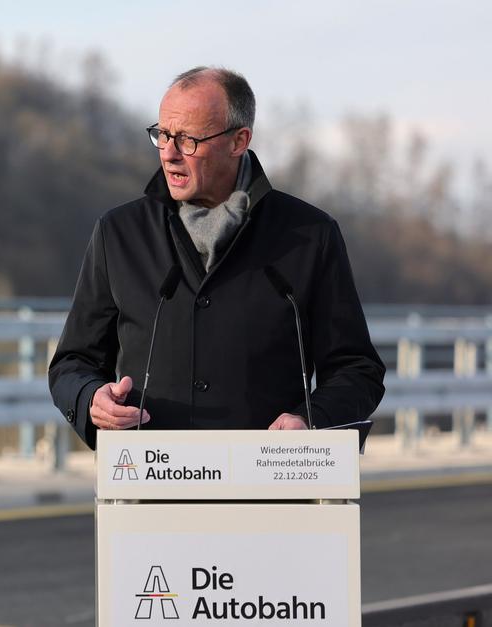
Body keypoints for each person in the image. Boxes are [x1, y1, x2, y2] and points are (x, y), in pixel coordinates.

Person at [47, 66, 385, 449]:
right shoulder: (118, 234)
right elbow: (72, 363)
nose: (170, 154)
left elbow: (357, 370)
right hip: (148, 489)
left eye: (188, 140)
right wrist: (91, 399)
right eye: (163, 135)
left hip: (272, 489)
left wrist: (311, 420)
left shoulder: (311, 236)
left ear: (239, 141)